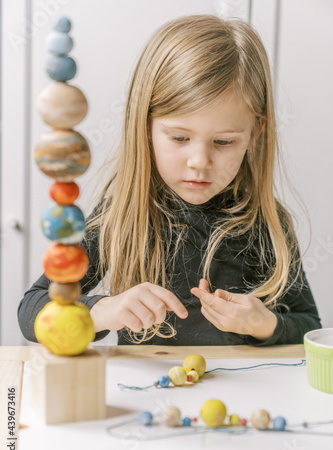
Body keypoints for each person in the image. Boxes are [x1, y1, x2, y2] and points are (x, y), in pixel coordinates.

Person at [18, 14, 322, 346]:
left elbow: (309, 327)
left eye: (224, 142)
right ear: (145, 126)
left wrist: (264, 323)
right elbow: (32, 310)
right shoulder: (120, 216)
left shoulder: (265, 222)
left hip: (243, 397)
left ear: (255, 133)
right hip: (147, 396)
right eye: (179, 138)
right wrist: (103, 309)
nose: (199, 163)